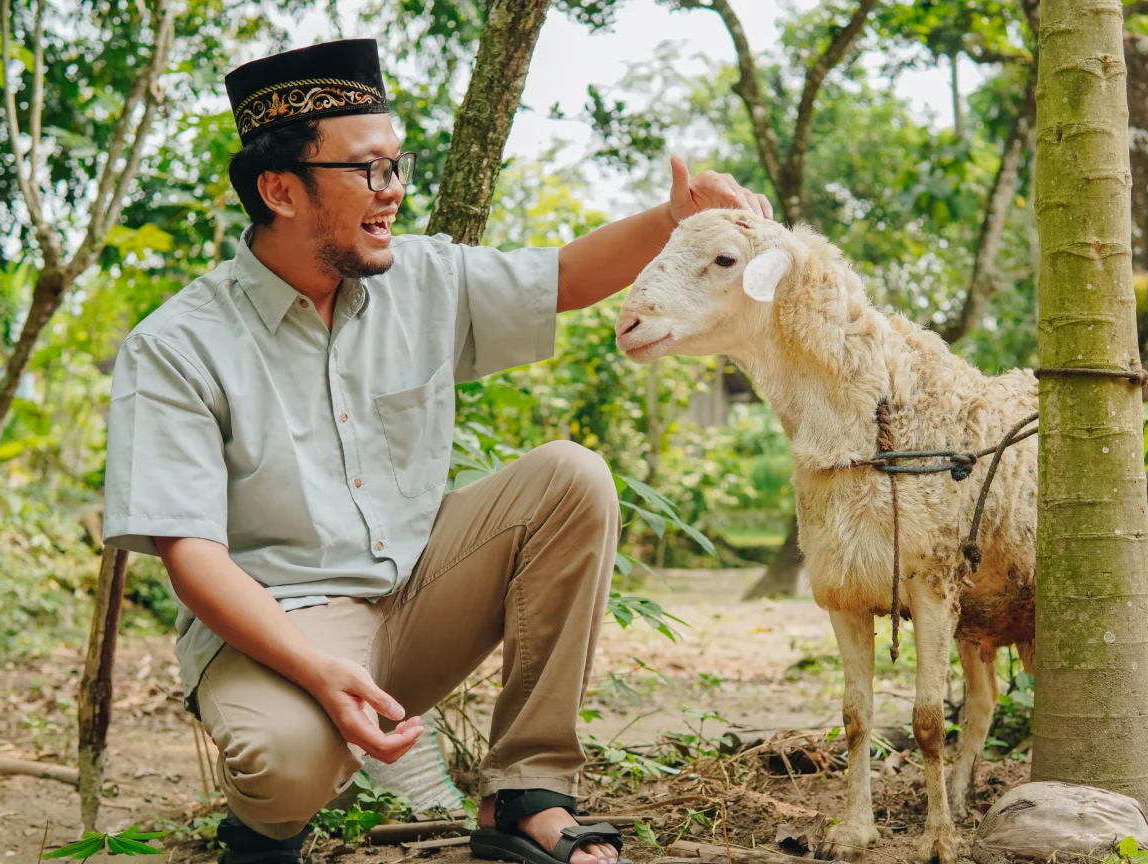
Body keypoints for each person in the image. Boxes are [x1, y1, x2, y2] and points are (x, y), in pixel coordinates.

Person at [102, 38, 771, 864]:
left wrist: (678, 219)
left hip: (419, 595)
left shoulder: (417, 277)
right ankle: (266, 828)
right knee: (283, 767)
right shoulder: (176, 345)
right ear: (279, 189)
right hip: (280, 629)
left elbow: (561, 278)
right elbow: (190, 553)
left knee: (570, 476)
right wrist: (316, 670)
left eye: (397, 165)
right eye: (367, 171)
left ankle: (527, 792)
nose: (393, 193)